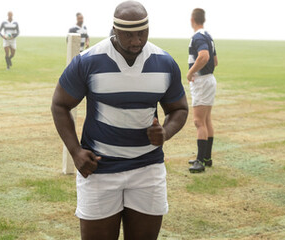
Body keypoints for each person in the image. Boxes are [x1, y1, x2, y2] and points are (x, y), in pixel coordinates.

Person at [51, 1, 188, 239]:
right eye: (128, 34)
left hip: (148, 169)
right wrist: (75, 151)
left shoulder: (164, 63)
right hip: (99, 170)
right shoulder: (88, 61)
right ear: (114, 29)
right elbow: (60, 105)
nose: (136, 41)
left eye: (142, 33)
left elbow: (180, 109)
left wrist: (166, 132)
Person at [187, 8, 219, 173]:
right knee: (206, 120)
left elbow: (205, 57)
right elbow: (215, 61)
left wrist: (191, 72)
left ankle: (200, 161)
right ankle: (206, 157)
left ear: (192, 19)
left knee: (199, 121)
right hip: (209, 80)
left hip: (202, 81)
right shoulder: (208, 36)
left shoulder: (198, 36)